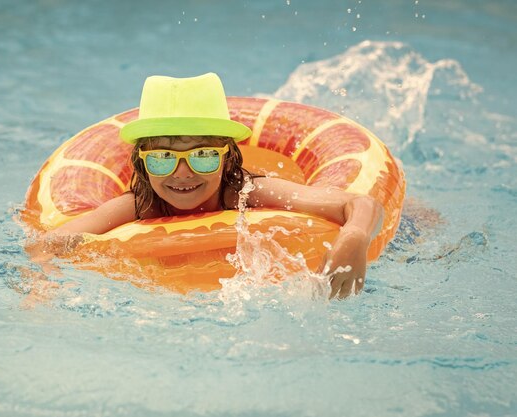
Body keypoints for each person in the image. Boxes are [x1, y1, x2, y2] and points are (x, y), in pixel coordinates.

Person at [31, 73, 383, 299]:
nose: (182, 173)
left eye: (202, 156)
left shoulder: (246, 192)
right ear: (141, 163)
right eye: (162, 159)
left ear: (228, 158)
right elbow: (49, 244)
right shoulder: (141, 204)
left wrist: (353, 238)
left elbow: (360, 203)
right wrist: (42, 283)